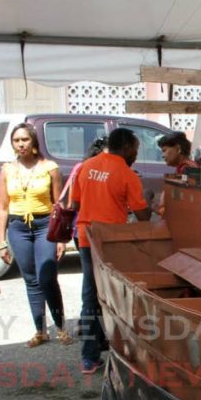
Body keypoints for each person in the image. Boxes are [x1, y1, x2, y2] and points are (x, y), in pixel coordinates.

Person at [68, 128, 151, 374]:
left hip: (86, 237)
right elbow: (143, 215)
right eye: (135, 148)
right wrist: (148, 199)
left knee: (90, 295)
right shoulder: (127, 174)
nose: (136, 154)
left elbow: (76, 203)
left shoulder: (86, 166)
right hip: (112, 241)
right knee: (116, 294)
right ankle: (115, 349)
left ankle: (90, 356)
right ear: (126, 147)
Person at [0, 123, 71, 347]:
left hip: (44, 225)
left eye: (25, 140)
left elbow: (59, 205)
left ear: (34, 142)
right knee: (30, 280)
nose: (21, 144)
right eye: (16, 140)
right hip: (18, 227)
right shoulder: (7, 169)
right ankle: (40, 330)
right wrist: (1, 241)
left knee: (47, 277)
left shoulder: (50, 167)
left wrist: (61, 239)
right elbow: (2, 206)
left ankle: (60, 326)